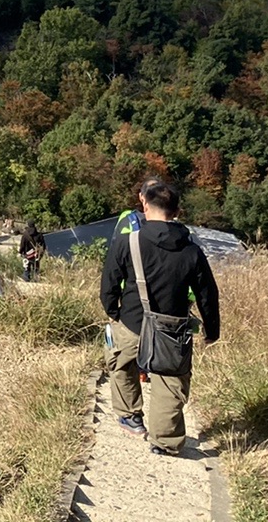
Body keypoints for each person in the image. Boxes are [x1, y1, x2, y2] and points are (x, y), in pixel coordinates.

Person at [100, 179, 221, 456]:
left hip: (131, 320)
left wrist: (113, 311)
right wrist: (211, 330)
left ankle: (130, 416)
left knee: (122, 365)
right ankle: (165, 441)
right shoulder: (191, 250)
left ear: (144, 205)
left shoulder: (127, 241)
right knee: (169, 381)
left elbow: (109, 282)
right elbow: (207, 294)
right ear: (177, 211)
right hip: (172, 328)